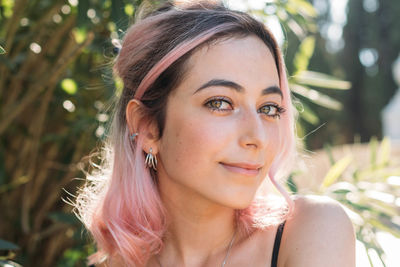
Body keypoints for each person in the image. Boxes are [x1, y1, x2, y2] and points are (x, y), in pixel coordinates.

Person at [75, 1, 356, 266]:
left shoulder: (311, 230)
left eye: (269, 108)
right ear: (147, 127)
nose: (257, 136)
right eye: (220, 103)